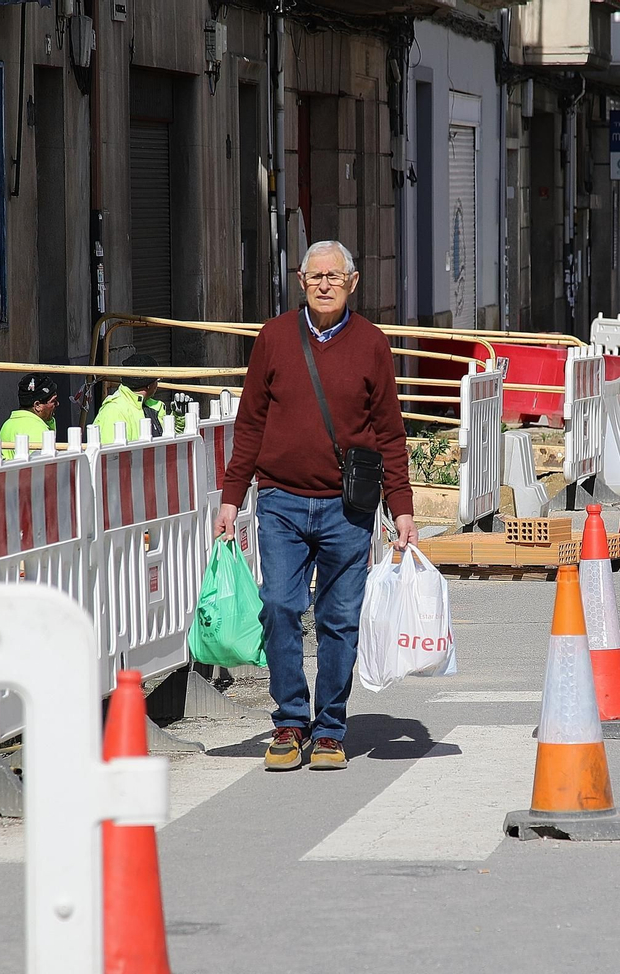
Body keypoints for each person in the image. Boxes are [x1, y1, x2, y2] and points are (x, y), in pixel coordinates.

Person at [214, 240, 417, 771]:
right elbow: (251, 423)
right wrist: (232, 499)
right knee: (280, 606)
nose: (324, 284)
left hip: (346, 506)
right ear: (300, 281)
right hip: (280, 500)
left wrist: (402, 509)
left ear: (353, 283)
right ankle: (288, 722)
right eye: (314, 276)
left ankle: (329, 729)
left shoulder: (371, 343)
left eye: (334, 276)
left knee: (338, 618)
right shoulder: (275, 338)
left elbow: (390, 434)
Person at [93, 352, 169, 444]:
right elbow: (111, 455)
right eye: (157, 380)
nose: (158, 384)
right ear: (149, 385)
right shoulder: (113, 411)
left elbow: (172, 444)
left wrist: (179, 419)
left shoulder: (154, 407)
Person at [0, 373, 57, 459]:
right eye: (53, 401)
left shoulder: (7, 424)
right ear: (37, 405)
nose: (57, 404)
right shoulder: (37, 429)